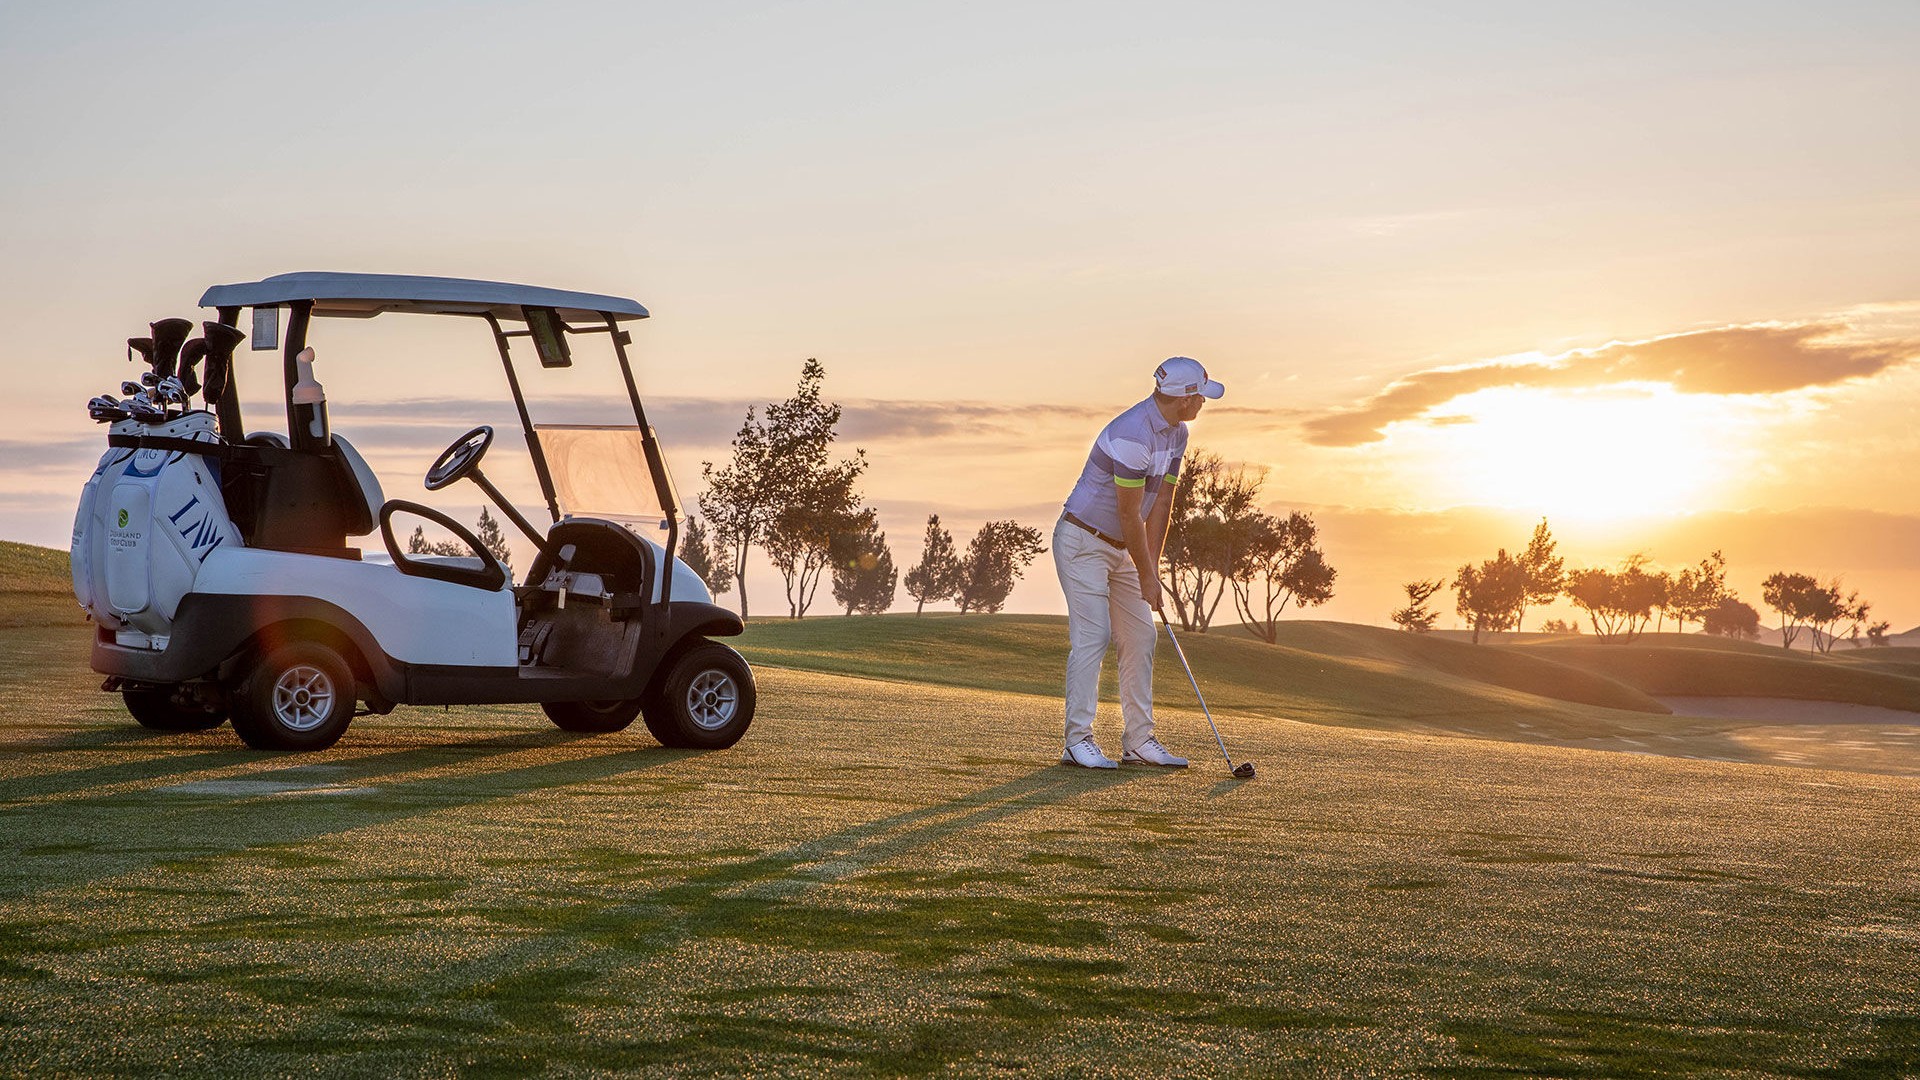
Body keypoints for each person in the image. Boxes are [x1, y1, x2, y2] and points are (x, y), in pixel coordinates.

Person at [1054, 356, 1224, 769]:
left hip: (1123, 548)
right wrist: (1146, 575)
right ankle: (1077, 742)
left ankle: (1139, 741)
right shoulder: (1132, 434)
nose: (1203, 402)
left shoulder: (1177, 434)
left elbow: (1161, 502)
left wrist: (1151, 570)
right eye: (1200, 395)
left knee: (1141, 637)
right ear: (1184, 398)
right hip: (1082, 542)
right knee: (1093, 637)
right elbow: (1130, 513)